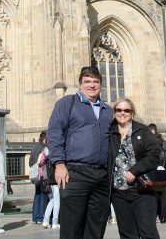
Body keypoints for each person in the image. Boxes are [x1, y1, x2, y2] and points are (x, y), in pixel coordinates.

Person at [46, 66, 114, 239]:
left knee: (96, 227)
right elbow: (54, 133)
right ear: (80, 84)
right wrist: (59, 163)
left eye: (95, 82)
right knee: (72, 226)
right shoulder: (67, 103)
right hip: (75, 172)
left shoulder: (108, 110)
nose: (91, 85)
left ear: (101, 85)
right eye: (87, 81)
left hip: (102, 174)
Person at [108, 98, 161, 239]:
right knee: (127, 234)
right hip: (118, 192)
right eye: (118, 110)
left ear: (132, 113)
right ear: (114, 113)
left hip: (141, 189)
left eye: (126, 110)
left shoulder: (142, 130)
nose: (122, 113)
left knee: (148, 232)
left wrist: (135, 170)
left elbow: (155, 154)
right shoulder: (109, 132)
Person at [40, 138, 60, 229]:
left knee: (52, 200)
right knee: (57, 201)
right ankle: (55, 222)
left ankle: (45, 220)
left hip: (48, 180)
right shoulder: (53, 152)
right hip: (54, 180)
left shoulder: (45, 152)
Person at [29, 132, 46, 225]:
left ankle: (35, 217)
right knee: (42, 195)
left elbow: (30, 161)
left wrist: (34, 169)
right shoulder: (44, 148)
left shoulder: (35, 147)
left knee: (37, 195)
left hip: (35, 175)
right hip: (42, 174)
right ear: (45, 139)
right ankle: (39, 217)